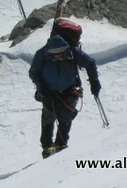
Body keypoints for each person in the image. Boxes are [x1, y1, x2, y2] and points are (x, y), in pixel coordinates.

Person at [28, 29, 101, 159]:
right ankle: (47, 146)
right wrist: (42, 88)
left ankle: (61, 145)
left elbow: (90, 63)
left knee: (65, 117)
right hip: (48, 92)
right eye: (54, 54)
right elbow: (34, 73)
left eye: (60, 53)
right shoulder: (42, 54)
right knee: (48, 117)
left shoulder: (72, 52)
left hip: (70, 90)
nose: (57, 56)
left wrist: (94, 81)